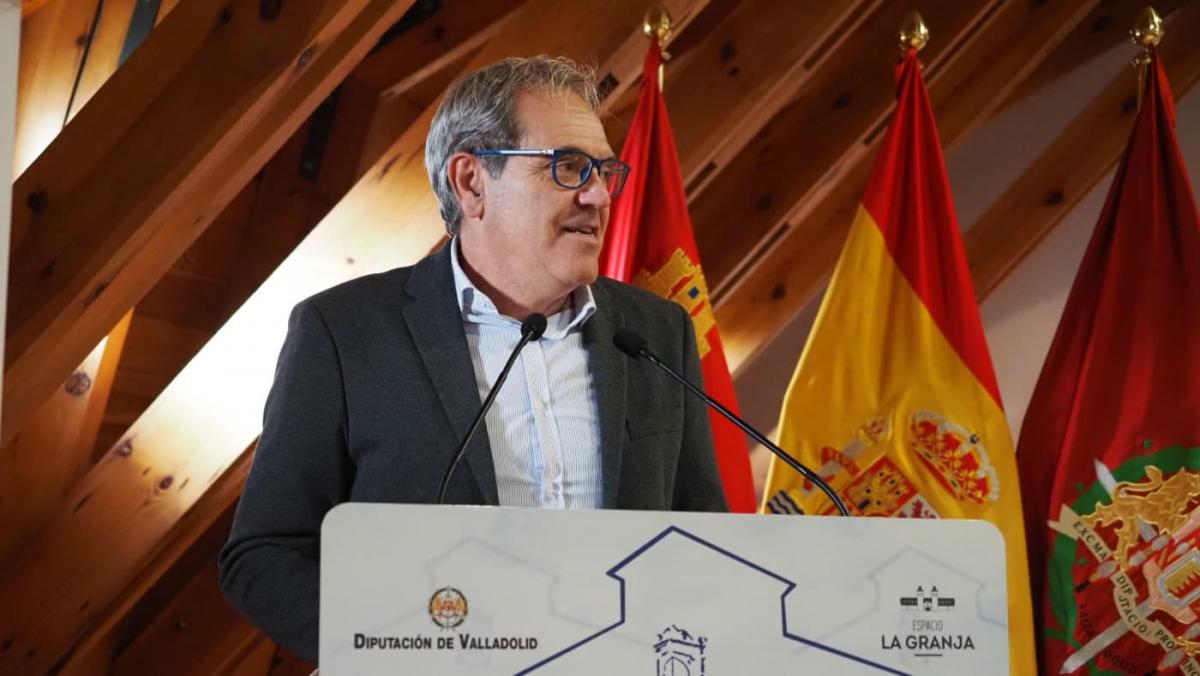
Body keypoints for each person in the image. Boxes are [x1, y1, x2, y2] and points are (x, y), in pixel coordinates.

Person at [218, 55, 726, 663]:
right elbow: (265, 552)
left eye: (604, 171)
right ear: (472, 183)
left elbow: (702, 537)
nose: (597, 195)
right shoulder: (345, 332)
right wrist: (386, 651)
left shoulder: (657, 332)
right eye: (568, 167)